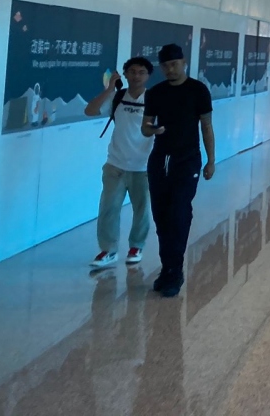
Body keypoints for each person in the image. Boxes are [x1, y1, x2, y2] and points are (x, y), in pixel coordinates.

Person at [141, 44, 215, 298]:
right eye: (165, 66)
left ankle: (176, 271)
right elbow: (145, 127)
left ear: (183, 63)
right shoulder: (155, 93)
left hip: (187, 160)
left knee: (179, 212)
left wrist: (211, 160)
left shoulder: (198, 90)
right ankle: (167, 268)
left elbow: (206, 126)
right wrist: (153, 130)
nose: (169, 69)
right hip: (160, 160)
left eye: (174, 64)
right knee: (161, 215)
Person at [85, 57, 155, 269]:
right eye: (132, 72)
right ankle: (108, 250)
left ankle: (136, 247)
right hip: (115, 165)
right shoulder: (116, 97)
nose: (136, 76)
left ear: (148, 76)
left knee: (142, 210)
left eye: (141, 72)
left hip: (143, 166)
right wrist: (109, 89)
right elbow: (90, 110)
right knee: (108, 209)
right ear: (124, 74)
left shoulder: (153, 100)